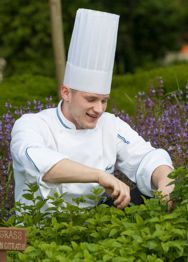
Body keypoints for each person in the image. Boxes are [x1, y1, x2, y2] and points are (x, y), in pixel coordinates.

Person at [10, 9, 174, 211]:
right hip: (38, 232)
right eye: (91, 99)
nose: (98, 109)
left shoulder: (110, 125)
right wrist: (100, 175)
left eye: (104, 100)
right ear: (66, 92)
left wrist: (166, 181)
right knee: (13, 242)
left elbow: (146, 158)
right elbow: (43, 165)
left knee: (146, 196)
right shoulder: (31, 125)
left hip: (95, 229)